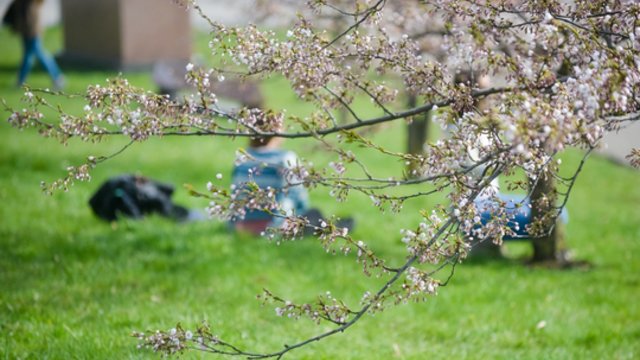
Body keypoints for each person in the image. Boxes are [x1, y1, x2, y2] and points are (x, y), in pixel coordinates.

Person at [229, 119, 353, 236]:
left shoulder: (242, 157)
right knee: (314, 215)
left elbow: (236, 192)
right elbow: (298, 194)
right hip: (276, 225)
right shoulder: (285, 158)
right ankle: (336, 229)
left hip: (242, 225)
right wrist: (302, 214)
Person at [4, 0, 64, 89]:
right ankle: (21, 81)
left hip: (32, 29)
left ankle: (57, 77)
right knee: (29, 55)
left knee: (37, 53)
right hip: (26, 29)